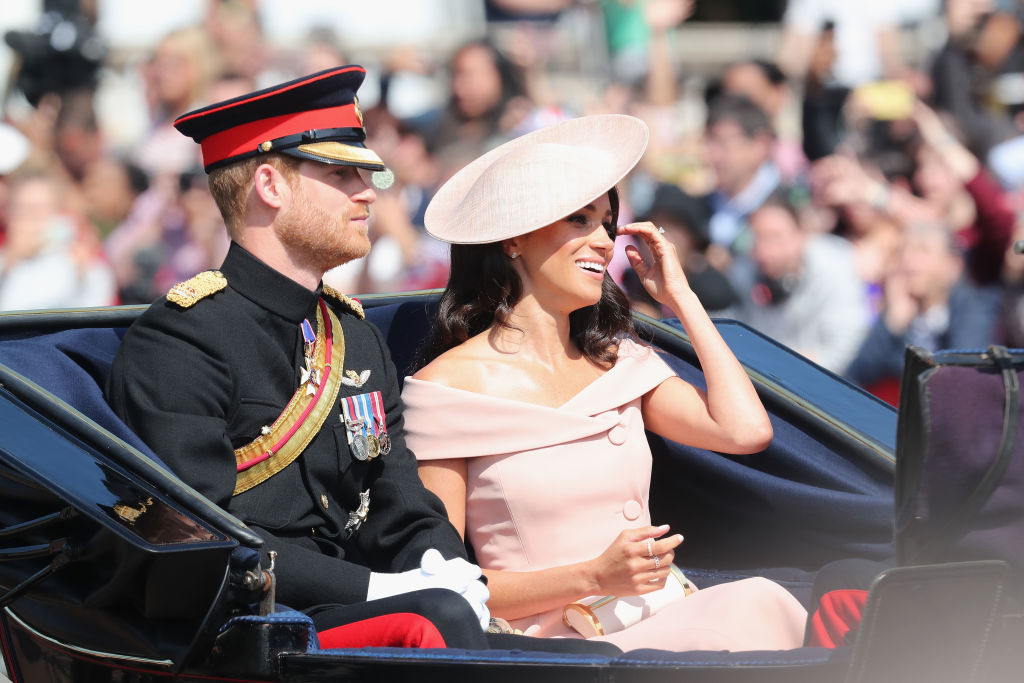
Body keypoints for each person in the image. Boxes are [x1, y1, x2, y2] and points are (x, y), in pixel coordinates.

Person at [104, 66, 613, 654]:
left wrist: (446, 566)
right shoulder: (181, 340)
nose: (368, 192)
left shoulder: (350, 335)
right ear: (270, 185)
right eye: (342, 174)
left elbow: (399, 496)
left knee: (595, 660)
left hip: (358, 613)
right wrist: (375, 587)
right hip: (254, 628)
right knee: (437, 621)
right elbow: (203, 538)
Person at [403, 114, 808, 651]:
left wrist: (681, 298)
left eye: (607, 224)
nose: (604, 242)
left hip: (664, 614)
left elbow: (744, 431)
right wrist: (592, 577)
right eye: (579, 220)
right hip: (552, 648)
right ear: (514, 240)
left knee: (763, 601)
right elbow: (442, 589)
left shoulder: (621, 364)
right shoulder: (446, 390)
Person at [724, 187, 872, 375]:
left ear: (801, 234)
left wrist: (782, 364)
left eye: (774, 237)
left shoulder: (836, 269)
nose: (763, 249)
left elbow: (843, 351)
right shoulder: (744, 271)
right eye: (757, 237)